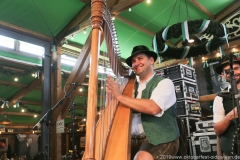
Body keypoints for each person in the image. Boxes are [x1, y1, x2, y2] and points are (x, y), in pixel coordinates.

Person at [106, 45, 180, 160]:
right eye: (133, 61)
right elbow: (113, 113)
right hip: (131, 139)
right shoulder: (127, 88)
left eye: (140, 58)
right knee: (109, 155)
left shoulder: (165, 83)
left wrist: (119, 96)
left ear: (151, 60)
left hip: (160, 138)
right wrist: (111, 97)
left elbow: (153, 108)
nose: (136, 63)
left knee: (142, 158)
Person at [213, 54, 240, 158]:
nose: (233, 73)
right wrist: (229, 116)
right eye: (228, 71)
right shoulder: (220, 98)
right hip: (232, 153)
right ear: (223, 75)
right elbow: (217, 130)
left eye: (236, 68)